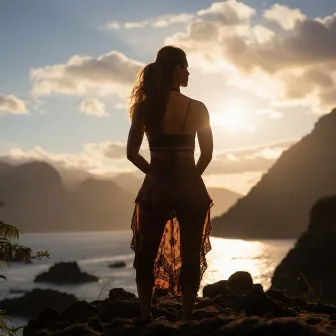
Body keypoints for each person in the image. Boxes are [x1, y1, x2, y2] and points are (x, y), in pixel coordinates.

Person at [126, 45, 213, 322]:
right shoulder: (198, 108)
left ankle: (145, 316)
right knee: (190, 254)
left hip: (156, 188)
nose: (188, 72)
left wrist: (154, 173)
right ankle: (187, 316)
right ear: (176, 69)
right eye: (185, 66)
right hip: (191, 188)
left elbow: (131, 153)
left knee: (146, 252)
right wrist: (190, 177)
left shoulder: (146, 107)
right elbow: (208, 154)